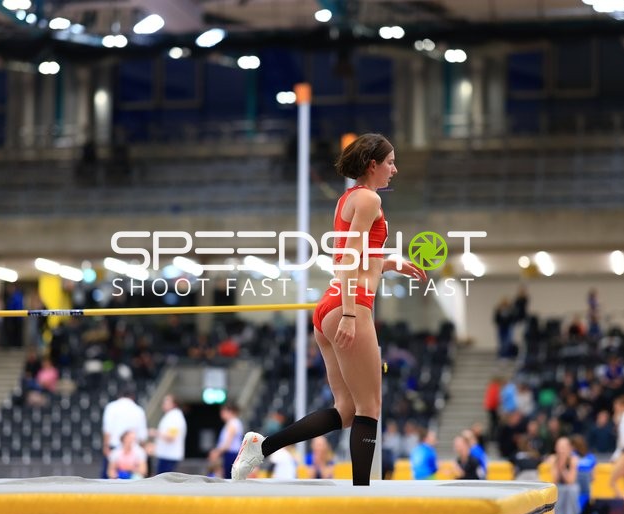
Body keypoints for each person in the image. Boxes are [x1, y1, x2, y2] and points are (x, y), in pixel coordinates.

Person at [231, 133, 425, 485]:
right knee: (370, 409)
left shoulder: (349, 199)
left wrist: (391, 263)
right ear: (372, 165)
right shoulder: (367, 199)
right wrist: (351, 314)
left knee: (347, 411)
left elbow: (358, 258)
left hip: (328, 307)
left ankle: (262, 447)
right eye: (391, 162)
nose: (394, 169)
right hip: (348, 306)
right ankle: (362, 495)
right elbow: (347, 260)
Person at [101, 385, 147, 479]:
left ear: (120, 395)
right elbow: (142, 435)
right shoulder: (138, 410)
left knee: (109, 479)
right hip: (133, 449)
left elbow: (107, 429)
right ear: (133, 397)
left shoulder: (111, 407)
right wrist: (142, 451)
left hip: (115, 447)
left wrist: (106, 446)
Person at [149, 394, 187, 475]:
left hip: (169, 456)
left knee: (164, 483)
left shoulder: (175, 417)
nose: (164, 403)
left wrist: (155, 433)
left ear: (174, 404)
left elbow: (171, 436)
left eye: (167, 401)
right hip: (165, 454)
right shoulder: (170, 416)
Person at [547, 437, 579, 514]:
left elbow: (570, 481)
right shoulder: (552, 459)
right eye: (560, 447)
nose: (562, 450)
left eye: (564, 447)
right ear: (556, 448)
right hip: (557, 486)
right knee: (557, 489)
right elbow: (554, 480)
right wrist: (558, 464)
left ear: (569, 448)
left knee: (572, 489)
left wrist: (563, 467)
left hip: (569, 488)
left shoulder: (573, 459)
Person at [208, 403, 243, 479]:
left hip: (231, 454)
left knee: (229, 478)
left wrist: (217, 452)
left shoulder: (233, 423)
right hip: (230, 454)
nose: (221, 414)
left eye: (223, 411)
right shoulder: (232, 423)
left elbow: (228, 443)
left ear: (229, 411)